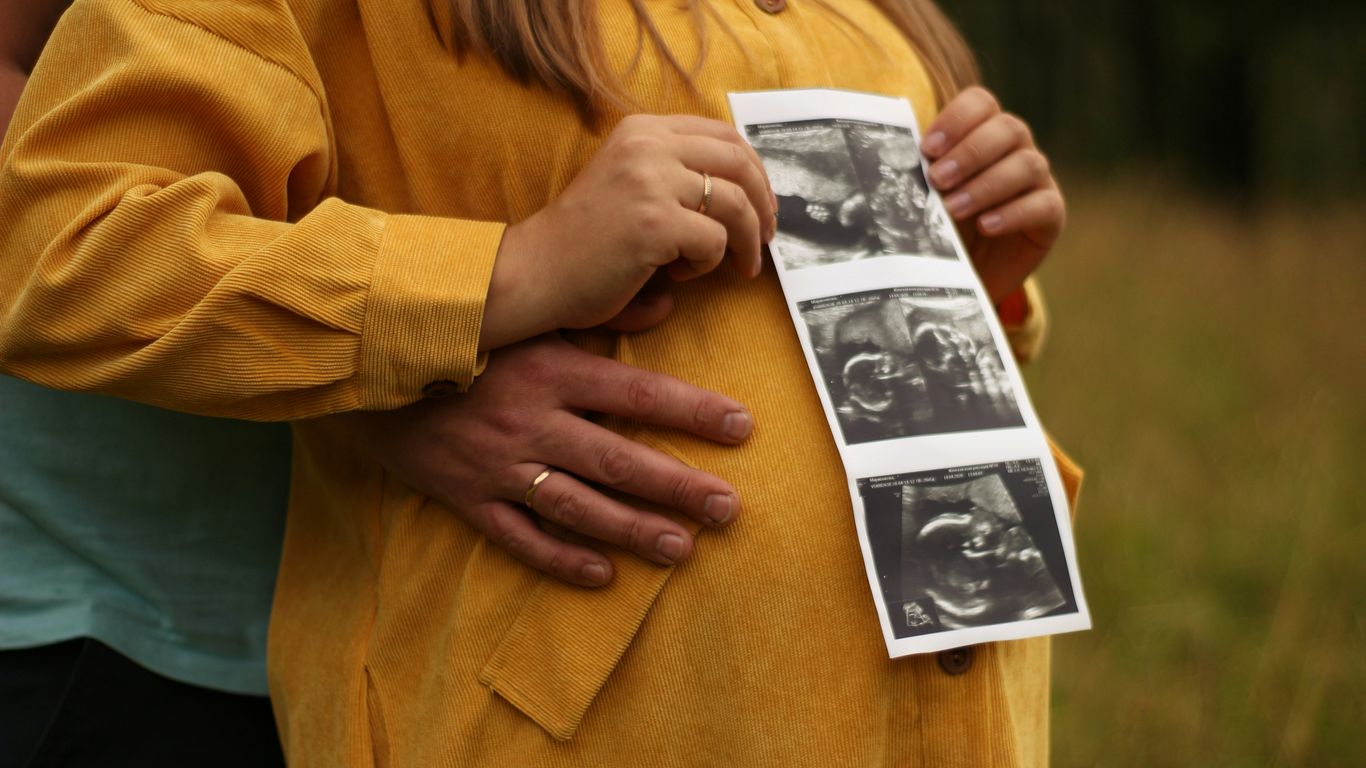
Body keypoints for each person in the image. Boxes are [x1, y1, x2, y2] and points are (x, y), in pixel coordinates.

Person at [0, 1, 1083, 766]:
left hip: (964, 705)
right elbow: (69, 244)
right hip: (571, 718)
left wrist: (976, 274)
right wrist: (501, 274)